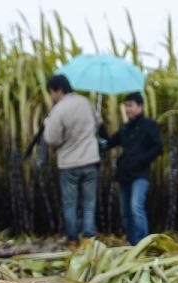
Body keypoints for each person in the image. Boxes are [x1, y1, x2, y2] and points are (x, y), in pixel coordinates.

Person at [43, 75, 101, 247]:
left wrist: (47, 126)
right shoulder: (85, 102)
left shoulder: (59, 109)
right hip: (90, 160)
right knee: (89, 203)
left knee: (70, 204)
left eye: (51, 92)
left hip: (69, 164)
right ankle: (89, 240)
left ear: (58, 90)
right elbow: (96, 124)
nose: (51, 96)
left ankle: (73, 240)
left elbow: (52, 139)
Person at [100, 92, 163, 245]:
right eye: (125, 106)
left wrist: (141, 161)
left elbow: (158, 147)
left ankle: (143, 244)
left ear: (140, 106)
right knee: (125, 213)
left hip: (140, 174)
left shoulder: (149, 125)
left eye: (130, 105)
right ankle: (132, 243)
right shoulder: (125, 128)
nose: (127, 109)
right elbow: (108, 143)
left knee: (136, 207)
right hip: (124, 175)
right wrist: (100, 125)